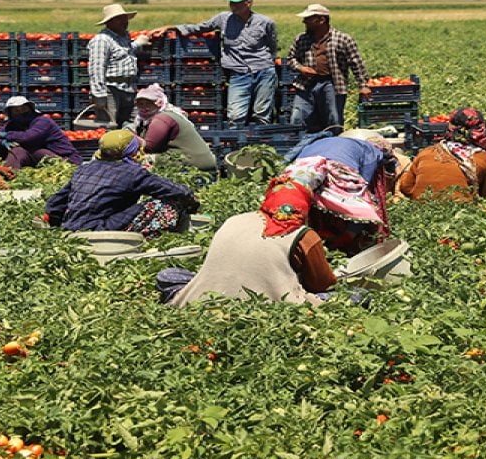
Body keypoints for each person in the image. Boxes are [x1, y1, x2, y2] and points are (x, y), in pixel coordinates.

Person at [158, 179, 337, 307]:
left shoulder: (235, 219)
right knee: (353, 296)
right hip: (269, 302)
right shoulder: (304, 235)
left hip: (211, 295)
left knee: (169, 275)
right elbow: (322, 284)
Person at [150, 0, 278, 127]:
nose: (233, 6)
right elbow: (201, 27)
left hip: (263, 70)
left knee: (261, 113)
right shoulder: (223, 18)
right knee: (235, 115)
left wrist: (269, 62)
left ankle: (260, 143)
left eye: (237, 3)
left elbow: (272, 45)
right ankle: (237, 143)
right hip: (238, 73)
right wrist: (172, 27)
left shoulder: (265, 22)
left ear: (249, 3)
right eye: (231, 3)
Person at [44, 129, 198, 238]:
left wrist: (61, 225)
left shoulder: (84, 169)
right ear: (132, 151)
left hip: (72, 228)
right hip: (101, 230)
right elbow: (174, 190)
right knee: (164, 205)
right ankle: (147, 239)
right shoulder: (133, 173)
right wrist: (191, 201)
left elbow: (54, 205)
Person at [282, 130, 396, 255]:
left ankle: (315, 241)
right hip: (336, 167)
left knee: (307, 202)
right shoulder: (372, 153)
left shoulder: (324, 142)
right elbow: (364, 190)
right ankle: (343, 243)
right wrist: (351, 232)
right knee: (364, 207)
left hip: (304, 170)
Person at [286, 4, 371, 133]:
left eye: (308, 19)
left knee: (333, 120)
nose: (304, 21)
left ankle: (334, 147)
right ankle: (299, 148)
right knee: (298, 118)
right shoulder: (301, 39)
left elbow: (356, 63)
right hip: (306, 84)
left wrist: (363, 85)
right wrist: (301, 68)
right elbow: (291, 59)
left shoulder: (343, 39)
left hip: (331, 83)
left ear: (321, 20)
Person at [398, 107, 486, 201]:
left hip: (422, 213)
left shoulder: (426, 153)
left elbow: (405, 187)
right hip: (462, 214)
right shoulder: (484, 160)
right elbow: (484, 193)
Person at [88, 4, 152, 127]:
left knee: (133, 125)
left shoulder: (124, 37)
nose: (124, 22)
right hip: (110, 90)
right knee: (110, 126)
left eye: (125, 18)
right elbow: (96, 68)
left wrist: (138, 43)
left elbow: (125, 52)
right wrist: (99, 94)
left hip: (129, 89)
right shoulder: (102, 40)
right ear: (109, 22)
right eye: (119, 19)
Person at [131, 83, 217, 173]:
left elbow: (149, 146)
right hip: (190, 161)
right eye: (141, 104)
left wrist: (129, 137)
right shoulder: (147, 119)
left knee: (141, 162)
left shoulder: (162, 118)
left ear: (159, 103)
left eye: (148, 103)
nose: (144, 107)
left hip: (192, 163)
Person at [0, 96, 84, 170]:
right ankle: (7, 173)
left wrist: (6, 135)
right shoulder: (12, 125)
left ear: (30, 109)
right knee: (17, 150)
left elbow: (28, 137)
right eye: (16, 111)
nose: (21, 112)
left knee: (31, 150)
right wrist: (2, 142)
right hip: (38, 158)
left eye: (24, 109)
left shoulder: (43, 121)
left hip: (64, 159)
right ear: (11, 114)